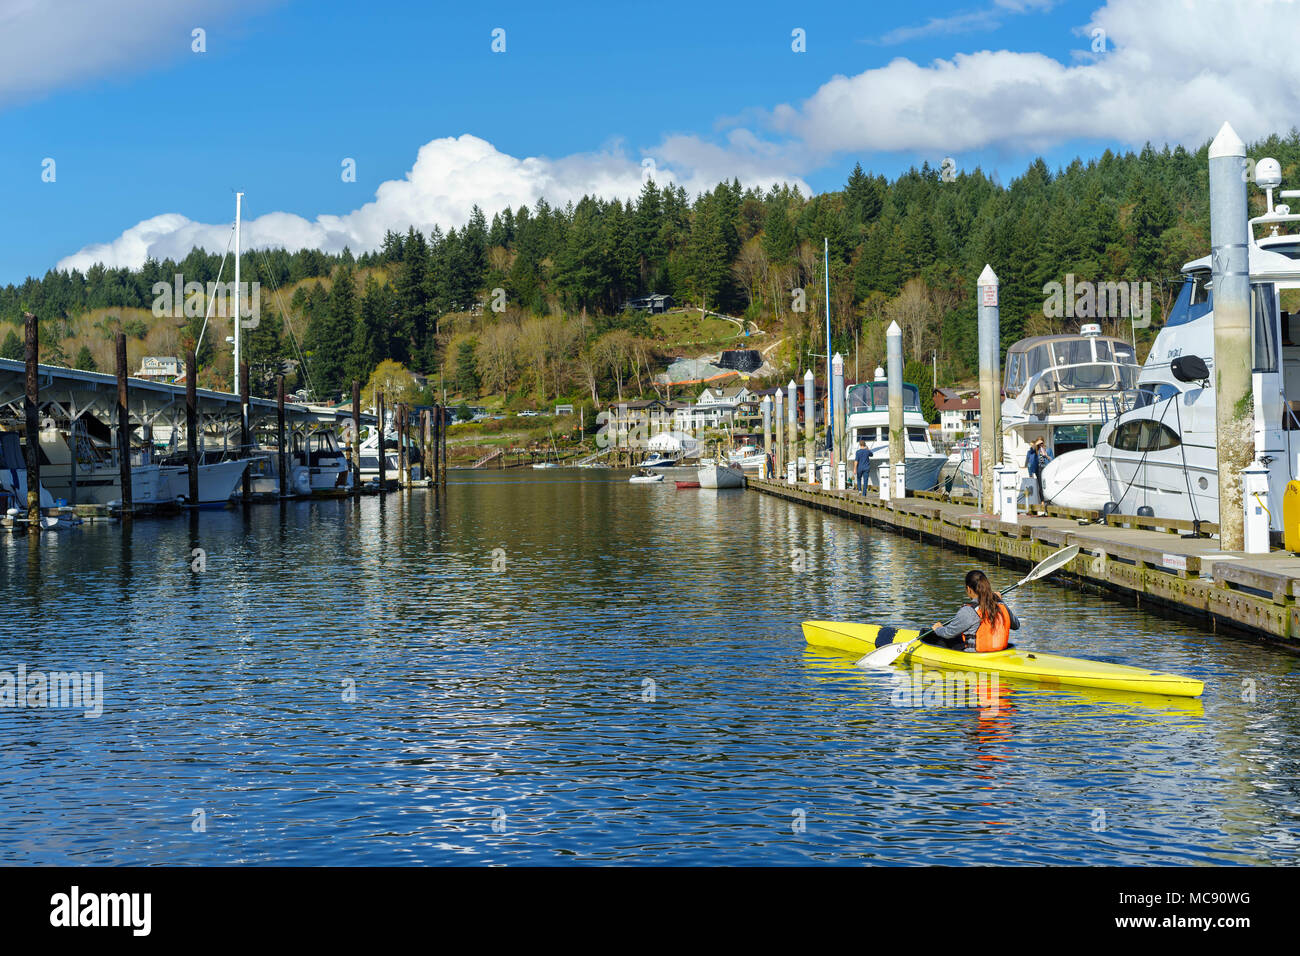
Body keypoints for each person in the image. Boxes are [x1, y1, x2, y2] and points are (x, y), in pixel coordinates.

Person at [930, 569, 1021, 652]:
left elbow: (948, 633)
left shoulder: (968, 611)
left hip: (976, 656)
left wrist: (938, 628)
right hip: (1000, 652)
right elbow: (1016, 625)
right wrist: (1000, 600)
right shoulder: (1001, 605)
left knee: (941, 639)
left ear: (969, 589)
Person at [1026, 438, 1051, 514]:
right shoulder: (1034, 452)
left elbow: (1052, 459)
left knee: (1048, 485)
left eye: (1042, 443)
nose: (1041, 445)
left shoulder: (1048, 450)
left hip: (1047, 468)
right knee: (1040, 485)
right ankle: (1042, 501)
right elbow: (1029, 460)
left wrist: (1046, 455)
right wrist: (1030, 473)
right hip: (1038, 469)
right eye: (1039, 443)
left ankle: (1049, 500)